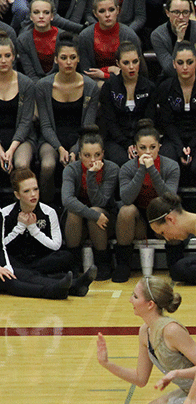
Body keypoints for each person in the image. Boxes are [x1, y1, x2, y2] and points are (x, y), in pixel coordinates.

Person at [2, 168, 96, 297]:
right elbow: (2, 247)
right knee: (14, 269)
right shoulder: (5, 214)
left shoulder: (48, 211)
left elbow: (56, 245)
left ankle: (60, 281)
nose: (33, 194)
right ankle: (71, 284)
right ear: (17, 195)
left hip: (39, 260)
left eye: (35, 189)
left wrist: (34, 229)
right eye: (26, 191)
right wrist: (20, 227)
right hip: (15, 260)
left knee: (65, 256)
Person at [34, 34, 100, 203]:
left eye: (72, 57)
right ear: (56, 60)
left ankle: (77, 208)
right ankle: (46, 208)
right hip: (51, 138)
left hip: (80, 138)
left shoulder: (90, 86)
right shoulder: (43, 86)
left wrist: (75, 149)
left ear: (78, 59)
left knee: (78, 163)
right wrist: (60, 149)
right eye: (64, 58)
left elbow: (88, 126)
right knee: (48, 165)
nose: (68, 62)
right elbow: (46, 125)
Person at [114, 119, 180, 282]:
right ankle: (123, 265)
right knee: (125, 210)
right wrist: (142, 169)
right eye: (142, 148)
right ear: (135, 148)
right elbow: (126, 198)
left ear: (159, 146)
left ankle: (175, 264)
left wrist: (152, 170)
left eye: (152, 147)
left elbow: (169, 198)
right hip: (139, 222)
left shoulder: (171, 166)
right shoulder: (128, 168)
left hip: (162, 218)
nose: (148, 152)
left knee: (175, 212)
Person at [155, 42, 196, 188]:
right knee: (167, 164)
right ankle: (169, 205)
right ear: (173, 64)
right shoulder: (165, 87)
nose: (185, 67)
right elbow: (167, 123)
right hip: (173, 138)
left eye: (189, 62)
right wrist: (180, 147)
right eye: (180, 62)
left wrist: (191, 146)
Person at [60, 127, 118, 281]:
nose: (93, 160)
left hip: (105, 221)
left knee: (96, 210)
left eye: (97, 155)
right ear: (79, 155)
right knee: (74, 212)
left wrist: (91, 175)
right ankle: (72, 263)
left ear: (103, 154)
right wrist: (92, 214)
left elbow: (100, 201)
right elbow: (66, 199)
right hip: (79, 222)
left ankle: (103, 262)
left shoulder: (112, 169)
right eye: (87, 155)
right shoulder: (71, 169)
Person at [97, 42, 155, 167]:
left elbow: (148, 119)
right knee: (121, 161)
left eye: (135, 62)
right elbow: (110, 121)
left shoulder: (149, 87)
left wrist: (138, 144)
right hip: (115, 139)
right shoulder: (109, 87)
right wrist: (126, 144)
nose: (131, 67)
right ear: (118, 64)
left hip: (142, 139)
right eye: (126, 63)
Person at [77, 0, 143, 85]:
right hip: (95, 83)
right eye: (102, 11)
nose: (107, 15)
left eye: (111, 10)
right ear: (95, 13)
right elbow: (87, 71)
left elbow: (136, 71)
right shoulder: (85, 36)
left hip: (126, 83)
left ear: (118, 10)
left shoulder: (129, 35)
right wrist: (111, 69)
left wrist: (105, 74)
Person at [150, 0, 196, 83]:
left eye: (185, 12)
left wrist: (193, 87)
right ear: (167, 13)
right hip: (171, 81)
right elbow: (170, 70)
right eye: (176, 12)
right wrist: (179, 40)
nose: (181, 17)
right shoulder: (157, 35)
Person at [0, 36, 36, 181]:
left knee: (21, 164)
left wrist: (11, 150)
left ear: (14, 57)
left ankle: (22, 203)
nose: (3, 60)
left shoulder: (26, 83)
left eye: (7, 56)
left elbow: (26, 121)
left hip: (22, 138)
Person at [16, 0, 61, 81]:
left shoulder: (63, 37)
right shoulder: (22, 40)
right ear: (31, 16)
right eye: (36, 12)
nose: (41, 16)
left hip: (60, 84)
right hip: (35, 85)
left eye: (46, 12)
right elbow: (30, 73)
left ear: (52, 16)